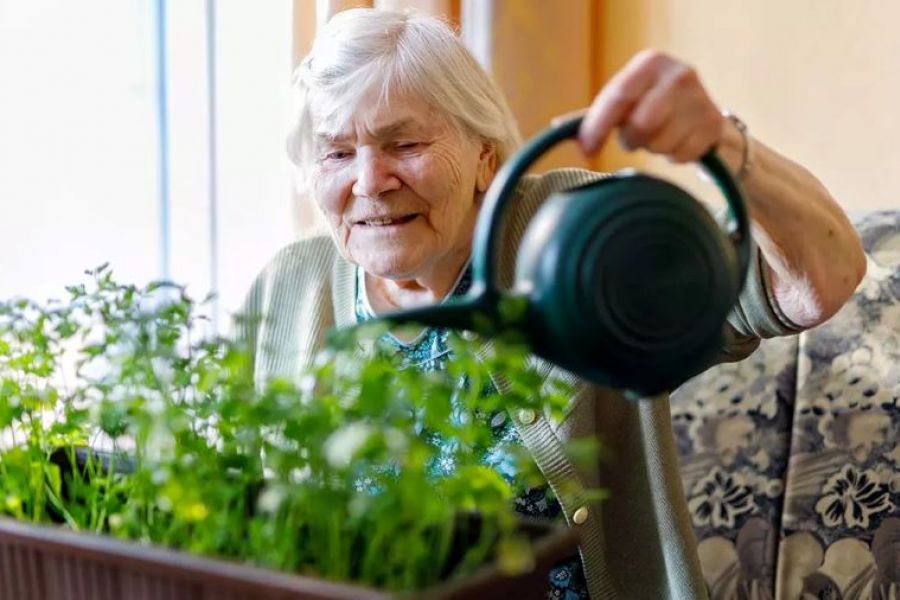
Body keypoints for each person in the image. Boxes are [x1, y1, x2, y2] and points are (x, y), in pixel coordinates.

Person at [238, 8, 866, 599]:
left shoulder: (573, 238)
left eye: (405, 146)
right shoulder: (289, 290)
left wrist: (724, 146)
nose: (370, 181)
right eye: (338, 153)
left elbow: (820, 283)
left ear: (484, 155)